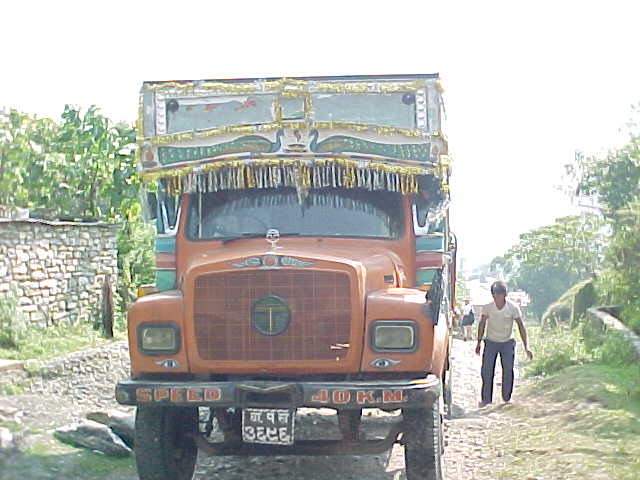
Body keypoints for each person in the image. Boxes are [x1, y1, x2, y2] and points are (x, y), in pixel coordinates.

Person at [475, 281, 533, 407]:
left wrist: (526, 346)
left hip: (507, 342)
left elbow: (520, 326)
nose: (497, 298)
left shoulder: (513, 308)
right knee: (487, 370)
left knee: (508, 370)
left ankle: (506, 397)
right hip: (491, 342)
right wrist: (479, 342)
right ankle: (486, 399)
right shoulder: (488, 307)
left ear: (504, 295)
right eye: (494, 295)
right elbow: (482, 324)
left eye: (499, 295)